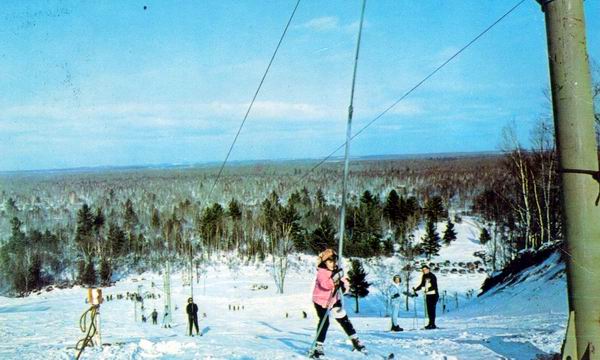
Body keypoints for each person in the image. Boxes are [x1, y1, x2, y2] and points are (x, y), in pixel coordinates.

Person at [310, 248, 365, 358]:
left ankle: (355, 339)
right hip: (321, 300)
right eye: (330, 262)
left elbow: (345, 282)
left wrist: (344, 287)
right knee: (325, 322)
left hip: (334, 299)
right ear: (324, 262)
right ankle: (318, 346)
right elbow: (325, 285)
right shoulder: (322, 271)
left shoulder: (338, 270)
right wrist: (335, 279)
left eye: (334, 261)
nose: (333, 264)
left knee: (342, 317)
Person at [413, 265, 439, 329]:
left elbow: (434, 286)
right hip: (428, 294)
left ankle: (433, 324)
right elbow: (422, 284)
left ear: (428, 269)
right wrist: (416, 289)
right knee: (429, 310)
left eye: (425, 269)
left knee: (432, 310)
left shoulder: (432, 276)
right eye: (423, 270)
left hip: (433, 294)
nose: (424, 271)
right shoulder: (424, 276)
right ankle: (430, 323)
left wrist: (426, 289)